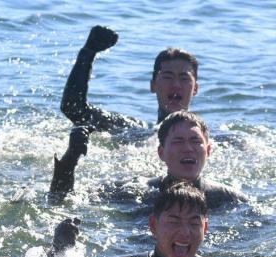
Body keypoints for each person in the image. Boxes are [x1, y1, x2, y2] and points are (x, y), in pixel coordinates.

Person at [49, 183, 244, 257]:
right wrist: (59, 252)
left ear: (206, 228)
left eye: (194, 223)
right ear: (153, 226)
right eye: (174, 222)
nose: (185, 232)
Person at [51, 111, 247, 209]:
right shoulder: (138, 192)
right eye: (178, 141)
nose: (188, 148)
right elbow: (63, 200)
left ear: (209, 150)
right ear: (161, 153)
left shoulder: (228, 198)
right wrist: (70, 159)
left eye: (196, 141)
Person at [60, 25, 198, 134]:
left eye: (184, 78)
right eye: (168, 77)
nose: (176, 85)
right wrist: (87, 53)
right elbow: (74, 109)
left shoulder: (211, 140)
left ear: (195, 89)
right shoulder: (131, 130)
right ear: (153, 85)